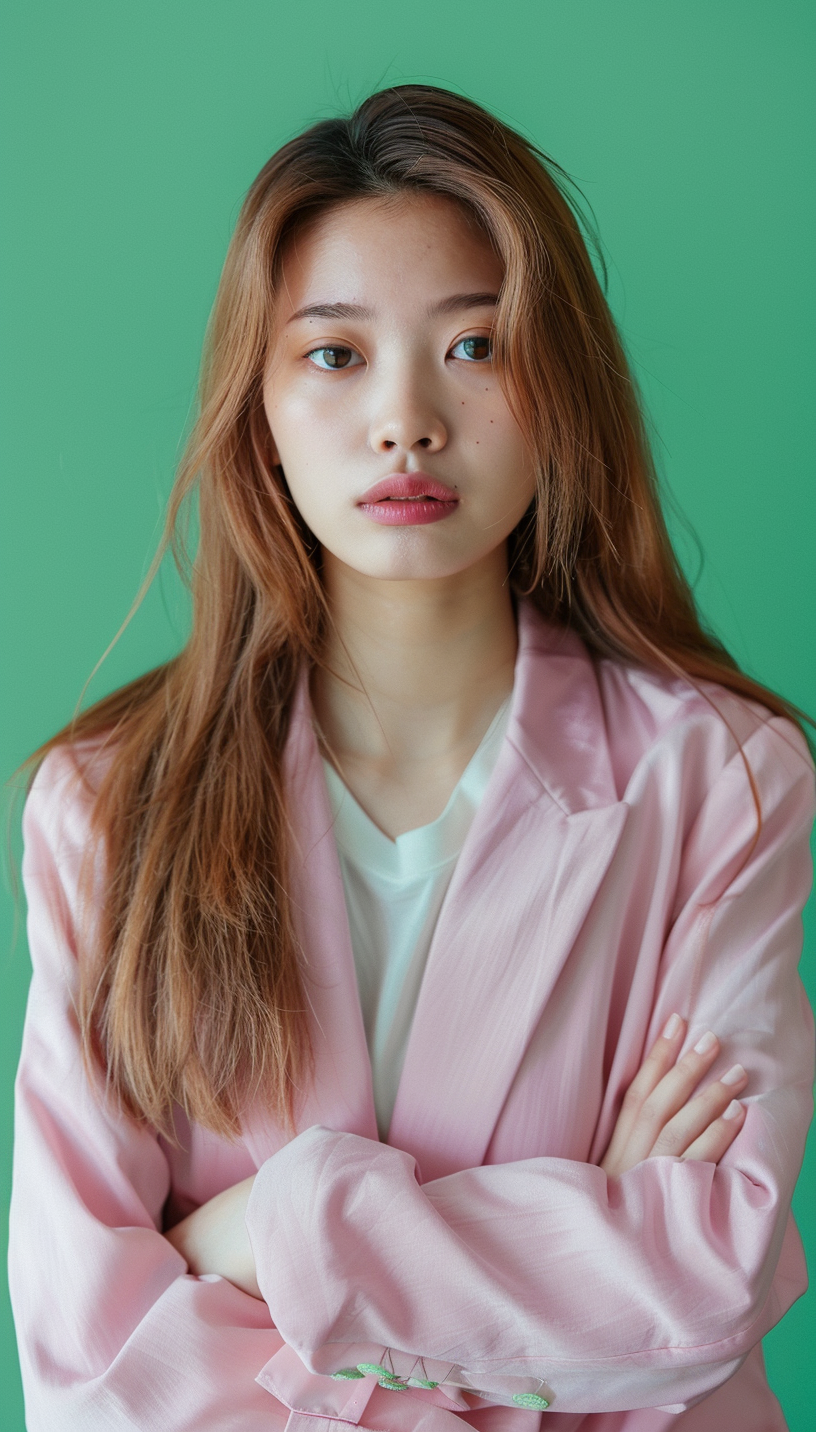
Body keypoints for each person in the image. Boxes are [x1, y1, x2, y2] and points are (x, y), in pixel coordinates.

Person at [8, 86, 814, 1431]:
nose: (406, 422)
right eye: (334, 354)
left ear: (560, 383)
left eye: (476, 346)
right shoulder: (106, 806)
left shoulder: (720, 782)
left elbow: (703, 1278)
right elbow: (91, 1371)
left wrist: (268, 1230)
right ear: (255, 402)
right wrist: (569, 1261)